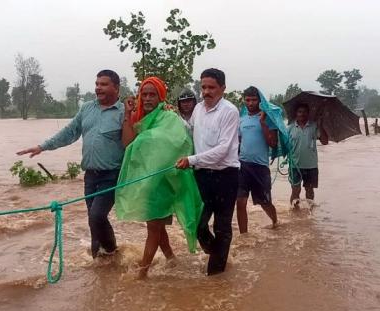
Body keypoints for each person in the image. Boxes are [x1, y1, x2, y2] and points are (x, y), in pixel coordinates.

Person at [17, 70, 124, 259]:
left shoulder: (124, 112)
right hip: (90, 175)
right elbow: (70, 132)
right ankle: (98, 260)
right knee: (94, 220)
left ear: (116, 88)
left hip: (112, 175)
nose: (98, 88)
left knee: (97, 216)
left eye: (104, 84)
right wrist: (42, 146)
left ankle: (111, 252)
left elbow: (136, 140)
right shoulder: (87, 108)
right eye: (97, 83)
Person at [118, 76, 203, 279]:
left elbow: (179, 143)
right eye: (144, 94)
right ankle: (172, 259)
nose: (147, 98)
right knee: (155, 224)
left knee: (154, 226)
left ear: (160, 96)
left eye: (152, 94)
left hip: (164, 180)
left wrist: (149, 140)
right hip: (146, 182)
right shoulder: (139, 117)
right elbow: (128, 143)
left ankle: (142, 273)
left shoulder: (170, 117)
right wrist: (127, 114)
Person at [176, 68, 240, 276]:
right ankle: (219, 256)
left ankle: (215, 276)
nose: (206, 91)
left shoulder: (229, 111)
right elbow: (188, 130)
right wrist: (169, 117)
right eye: (203, 87)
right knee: (200, 226)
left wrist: (191, 160)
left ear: (222, 88)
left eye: (211, 87)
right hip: (202, 175)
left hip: (225, 176)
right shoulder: (198, 110)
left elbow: (222, 150)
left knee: (222, 227)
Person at [236, 86, 279, 232]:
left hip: (260, 167)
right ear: (244, 100)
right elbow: (238, 142)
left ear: (260, 101)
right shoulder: (241, 120)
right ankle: (244, 236)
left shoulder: (268, 119)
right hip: (242, 166)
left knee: (265, 202)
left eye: (254, 100)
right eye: (247, 100)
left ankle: (275, 222)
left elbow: (273, 144)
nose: (251, 103)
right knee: (240, 202)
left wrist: (263, 123)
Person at [288, 103, 329, 209]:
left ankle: (310, 214)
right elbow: (284, 145)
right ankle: (294, 213)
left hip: (311, 166)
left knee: (309, 190)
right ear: (296, 114)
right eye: (299, 112)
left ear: (308, 113)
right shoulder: (290, 128)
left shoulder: (314, 126)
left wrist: (320, 125)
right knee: (295, 190)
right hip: (295, 166)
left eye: (305, 112)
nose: (302, 114)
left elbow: (325, 142)